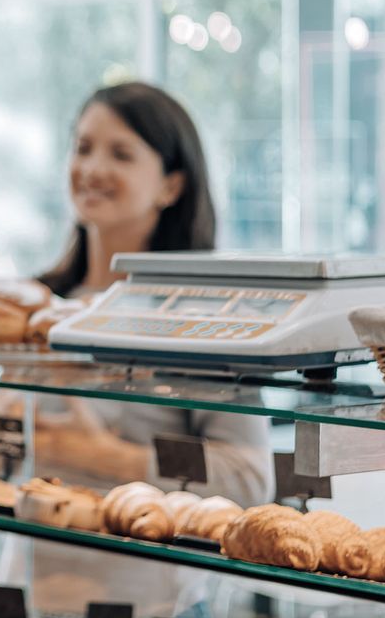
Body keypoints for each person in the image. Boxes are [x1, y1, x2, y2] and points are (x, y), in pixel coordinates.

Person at [19, 81, 272, 506]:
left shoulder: (203, 315)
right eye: (83, 148)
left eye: (121, 154)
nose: (92, 169)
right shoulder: (38, 304)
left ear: (171, 187)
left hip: (144, 568)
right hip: (19, 567)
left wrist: (108, 457)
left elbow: (247, 481)